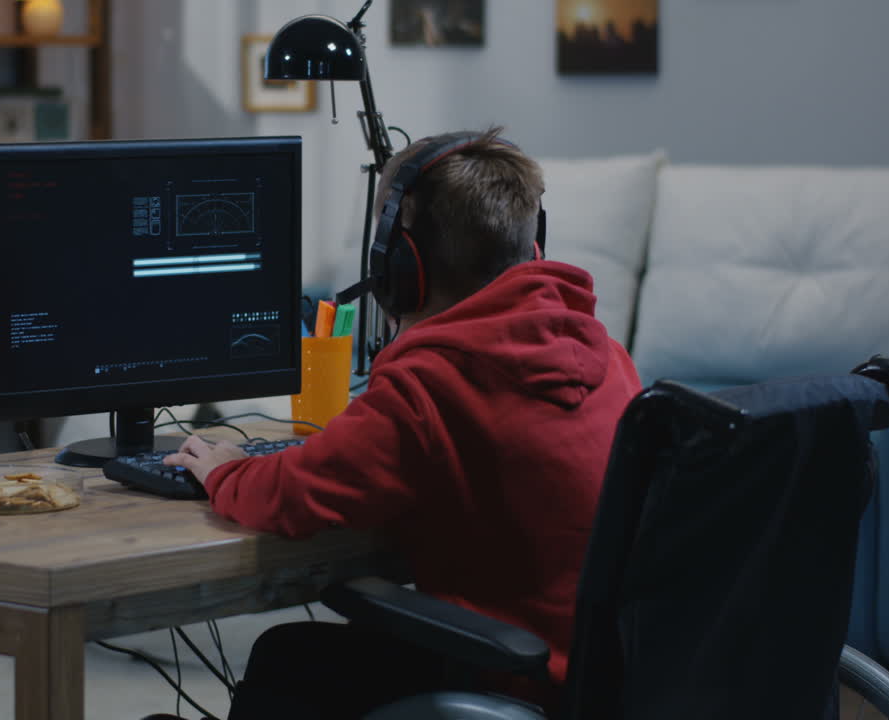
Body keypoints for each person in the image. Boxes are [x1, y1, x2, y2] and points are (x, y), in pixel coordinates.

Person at [146, 128, 642, 719]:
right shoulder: (609, 357)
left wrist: (226, 469)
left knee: (289, 658)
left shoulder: (428, 384)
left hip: (517, 680)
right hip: (606, 680)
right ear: (532, 246)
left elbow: (290, 496)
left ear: (400, 263)